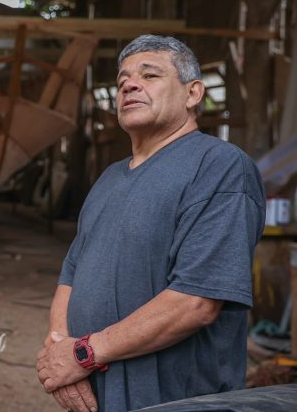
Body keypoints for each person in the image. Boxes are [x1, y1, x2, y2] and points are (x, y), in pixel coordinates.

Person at [35, 35, 265, 412]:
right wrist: (60, 347)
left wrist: (80, 355)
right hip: (97, 391)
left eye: (150, 75)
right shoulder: (109, 178)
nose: (129, 83)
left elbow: (195, 301)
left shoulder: (220, 167)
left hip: (173, 399)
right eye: (123, 78)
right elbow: (71, 274)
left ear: (193, 94)